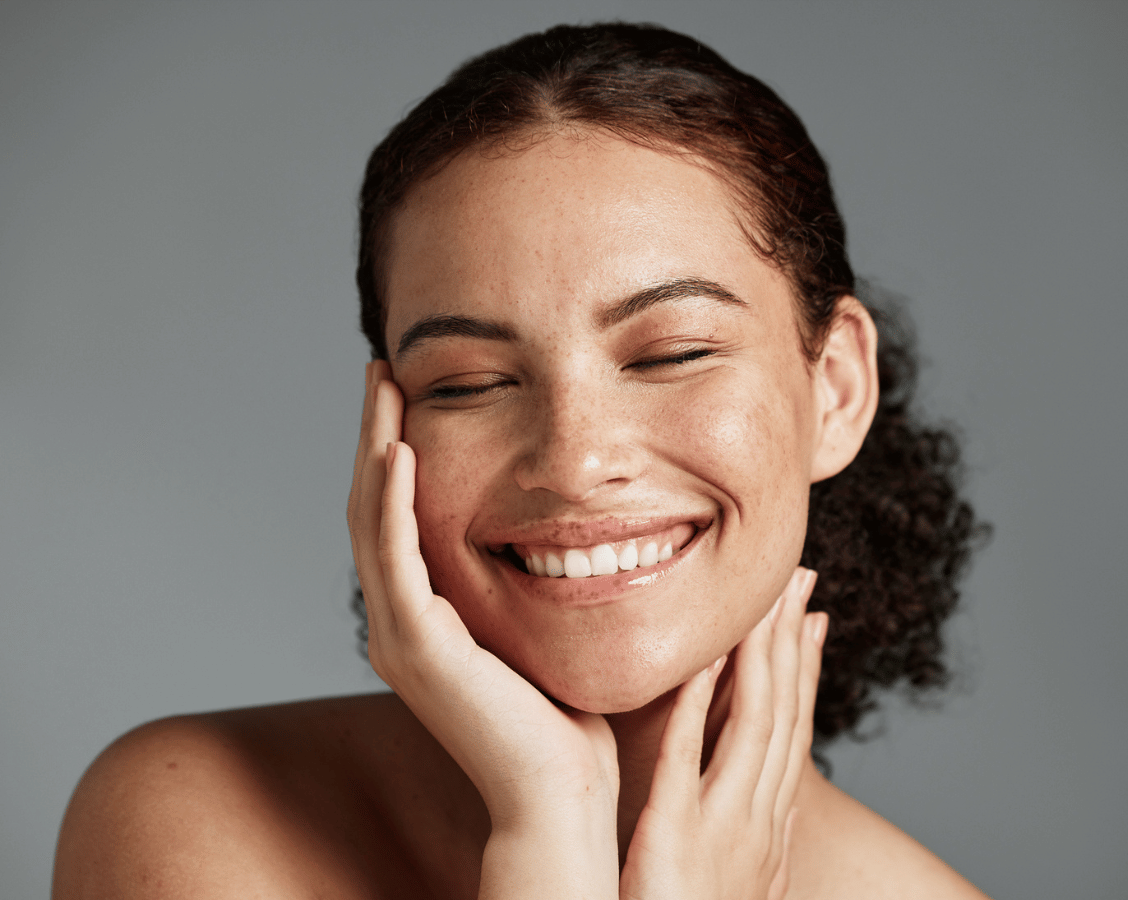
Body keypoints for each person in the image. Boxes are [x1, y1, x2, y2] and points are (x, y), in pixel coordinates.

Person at [53, 22, 987, 899]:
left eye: (672, 355)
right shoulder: (192, 822)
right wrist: (547, 828)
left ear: (836, 390)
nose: (574, 462)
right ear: (391, 428)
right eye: (466, 382)